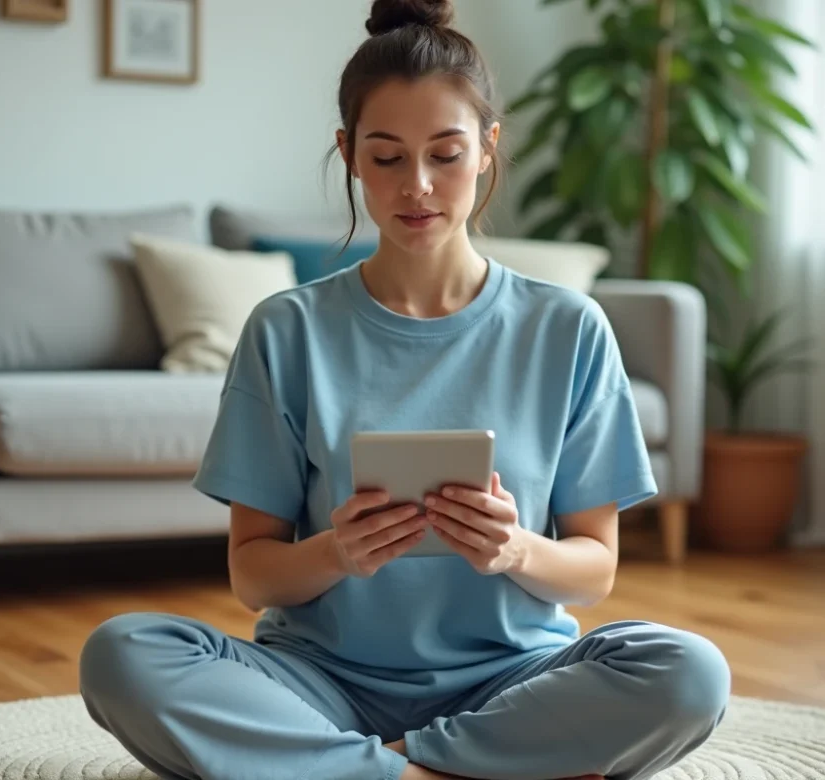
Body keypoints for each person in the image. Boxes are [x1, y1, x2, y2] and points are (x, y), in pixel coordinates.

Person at [78, 1, 731, 778]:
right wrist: (336, 551)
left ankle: (357, 771)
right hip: (319, 684)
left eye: (445, 155)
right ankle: (448, 772)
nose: (417, 187)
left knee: (691, 671)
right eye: (386, 158)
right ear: (348, 153)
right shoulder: (286, 331)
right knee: (123, 654)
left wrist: (514, 548)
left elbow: (595, 568)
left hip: (511, 683)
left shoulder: (568, 328)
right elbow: (254, 575)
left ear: (488, 149)